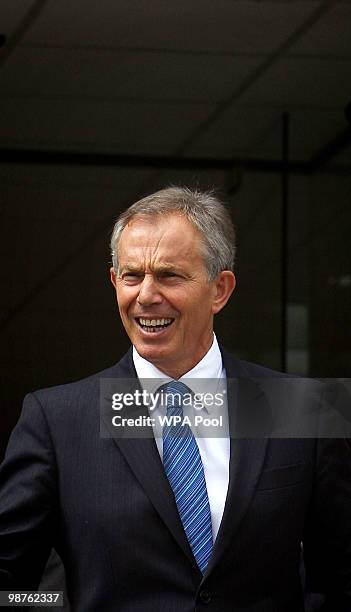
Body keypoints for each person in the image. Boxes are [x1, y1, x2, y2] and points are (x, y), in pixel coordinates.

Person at [0, 186, 350, 612]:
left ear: (220, 289)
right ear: (114, 283)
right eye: (132, 275)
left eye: (169, 275)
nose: (146, 295)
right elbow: (9, 584)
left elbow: (339, 580)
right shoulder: (56, 421)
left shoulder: (300, 409)